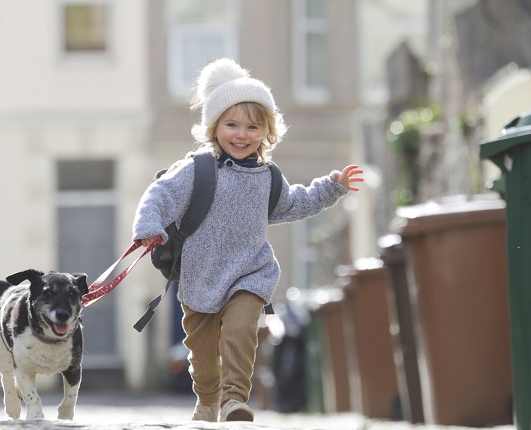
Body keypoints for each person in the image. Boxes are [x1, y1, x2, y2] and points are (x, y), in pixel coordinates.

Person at [131, 58, 363, 422]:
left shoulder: (268, 177)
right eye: (232, 125)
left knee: (241, 331)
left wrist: (332, 186)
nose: (242, 134)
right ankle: (208, 400)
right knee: (203, 357)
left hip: (250, 274)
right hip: (201, 277)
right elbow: (159, 196)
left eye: (253, 126)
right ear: (214, 127)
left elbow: (295, 202)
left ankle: (234, 400)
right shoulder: (197, 170)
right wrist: (148, 225)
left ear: (267, 132)